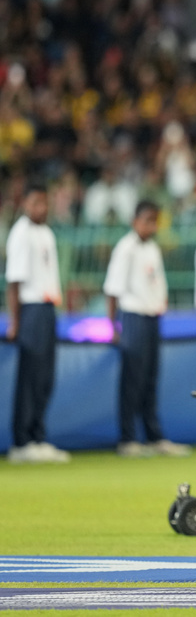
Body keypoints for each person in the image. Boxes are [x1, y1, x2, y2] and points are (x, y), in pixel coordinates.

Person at [104, 200, 189, 458]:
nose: (151, 227)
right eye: (147, 221)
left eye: (154, 221)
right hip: (133, 317)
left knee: (151, 378)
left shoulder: (152, 248)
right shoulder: (126, 249)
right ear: (135, 221)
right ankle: (128, 438)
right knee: (132, 379)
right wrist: (113, 326)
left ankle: (153, 436)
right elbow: (112, 290)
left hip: (152, 317)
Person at [5, 184, 69, 464]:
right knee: (29, 377)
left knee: (45, 378)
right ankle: (22, 441)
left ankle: (38, 436)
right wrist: (14, 321)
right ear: (24, 204)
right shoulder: (21, 233)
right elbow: (13, 282)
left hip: (46, 306)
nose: (41, 209)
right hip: (30, 308)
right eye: (35, 204)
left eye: (44, 203)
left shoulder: (46, 233)